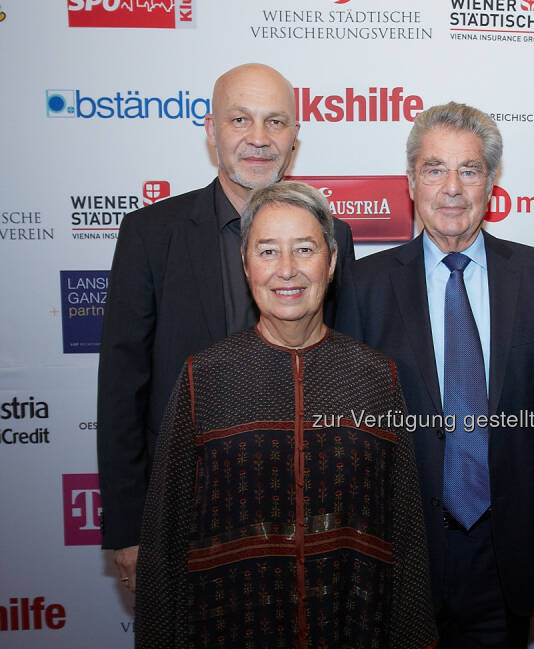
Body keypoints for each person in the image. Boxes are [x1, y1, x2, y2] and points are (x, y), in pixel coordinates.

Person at [133, 181, 436, 649]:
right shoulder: (202, 379)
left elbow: (401, 533)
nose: (287, 270)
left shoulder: (376, 378)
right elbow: (164, 541)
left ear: (332, 261)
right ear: (245, 263)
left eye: (305, 249)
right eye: (268, 251)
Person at [342, 102, 534, 649]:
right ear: (410, 181)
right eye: (434, 169)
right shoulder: (364, 285)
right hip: (402, 546)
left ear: (492, 182)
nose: (452, 188)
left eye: (470, 170)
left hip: (506, 546)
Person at [97, 63, 355, 592]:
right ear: (212, 131)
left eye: (276, 122)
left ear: (295, 139)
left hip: (308, 518)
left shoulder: (335, 237)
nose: (258, 139)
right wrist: (126, 527)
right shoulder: (152, 234)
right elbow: (122, 388)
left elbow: (343, 369)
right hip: (183, 514)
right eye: (240, 119)